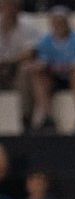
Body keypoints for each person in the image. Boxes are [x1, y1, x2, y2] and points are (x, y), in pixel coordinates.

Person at [29, 7, 75, 133]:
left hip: (72, 77)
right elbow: (43, 62)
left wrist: (57, 66)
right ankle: (48, 117)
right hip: (56, 78)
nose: (58, 25)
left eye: (61, 21)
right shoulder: (46, 41)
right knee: (39, 76)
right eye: (55, 22)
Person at [0, 0, 38, 131]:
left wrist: (8, 61)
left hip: (17, 68)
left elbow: (30, 52)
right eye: (6, 6)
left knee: (26, 70)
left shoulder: (27, 23)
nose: (10, 9)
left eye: (13, 6)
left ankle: (26, 118)